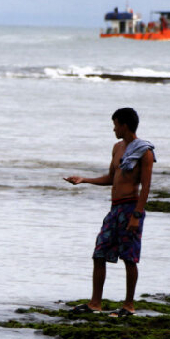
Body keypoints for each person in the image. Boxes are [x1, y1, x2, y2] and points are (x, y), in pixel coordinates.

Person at [64, 107, 155, 317]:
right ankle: (95, 303)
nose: (113, 129)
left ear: (124, 125)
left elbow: (146, 186)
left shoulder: (144, 151)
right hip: (115, 209)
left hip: (131, 207)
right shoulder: (117, 148)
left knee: (129, 257)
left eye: (115, 124)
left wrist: (137, 215)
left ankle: (129, 306)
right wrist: (83, 180)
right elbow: (110, 179)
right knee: (99, 253)